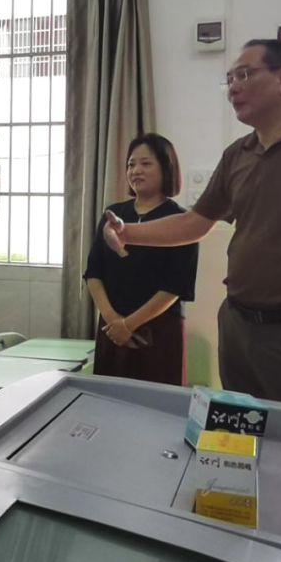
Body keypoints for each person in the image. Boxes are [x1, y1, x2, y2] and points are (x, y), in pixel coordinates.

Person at [102, 38, 281, 411]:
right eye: (229, 79)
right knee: (239, 433)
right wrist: (128, 232)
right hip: (237, 324)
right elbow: (194, 223)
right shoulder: (237, 155)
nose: (233, 88)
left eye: (244, 74)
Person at [83, 133, 198, 385]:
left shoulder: (182, 221)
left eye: (146, 163)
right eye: (131, 164)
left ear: (166, 168)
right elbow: (93, 272)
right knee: (108, 398)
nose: (136, 171)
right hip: (111, 328)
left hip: (157, 331)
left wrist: (129, 325)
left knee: (156, 402)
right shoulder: (113, 215)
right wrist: (113, 319)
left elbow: (175, 286)